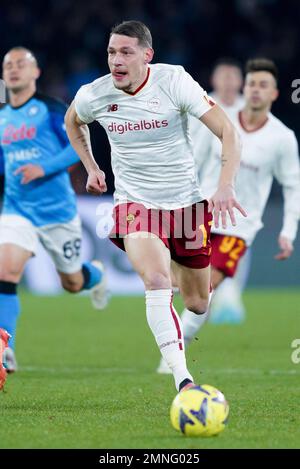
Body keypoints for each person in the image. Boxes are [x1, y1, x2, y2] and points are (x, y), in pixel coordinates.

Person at [65, 20, 246, 392]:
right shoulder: (94, 94)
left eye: (126, 52)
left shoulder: (173, 81)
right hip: (135, 204)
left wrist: (225, 185)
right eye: (112, 52)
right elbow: (73, 121)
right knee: (156, 281)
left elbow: (228, 131)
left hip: (185, 205)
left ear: (147, 56)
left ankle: (179, 274)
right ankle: (184, 381)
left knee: (197, 302)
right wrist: (92, 167)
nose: (116, 60)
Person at [158, 57, 300, 374]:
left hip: (240, 226)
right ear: (244, 87)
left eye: (263, 85)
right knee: (178, 284)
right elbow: (194, 159)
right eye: (252, 84)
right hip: (202, 213)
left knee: (206, 288)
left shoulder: (282, 137)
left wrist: (288, 231)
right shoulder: (220, 121)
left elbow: (293, 186)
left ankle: (173, 359)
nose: (255, 90)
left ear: (275, 94)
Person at [0, 47, 109, 387]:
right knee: (5, 272)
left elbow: (75, 148)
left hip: (57, 213)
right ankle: (6, 350)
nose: (14, 70)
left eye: (21, 64)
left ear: (36, 72)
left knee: (72, 283)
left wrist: (42, 168)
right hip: (16, 209)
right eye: (8, 66)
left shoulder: (49, 110)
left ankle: (95, 276)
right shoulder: (1, 116)